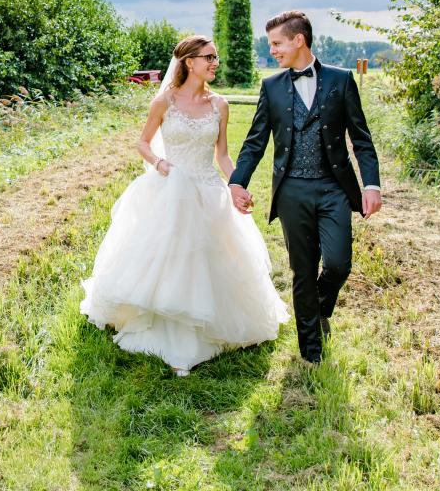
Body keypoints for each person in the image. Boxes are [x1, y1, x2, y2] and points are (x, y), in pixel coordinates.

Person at [79, 35, 289, 376]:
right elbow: (143, 143)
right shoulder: (165, 101)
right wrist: (160, 164)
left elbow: (221, 154)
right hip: (171, 186)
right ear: (189, 62)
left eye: (216, 57)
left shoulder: (220, 104)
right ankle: (167, 324)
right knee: (169, 254)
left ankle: (210, 326)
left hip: (208, 187)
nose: (214, 63)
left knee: (213, 256)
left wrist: (238, 185)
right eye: (208, 57)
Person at [227, 10, 382, 365]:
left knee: (339, 264)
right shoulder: (271, 87)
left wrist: (371, 184)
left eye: (277, 43)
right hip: (292, 191)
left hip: (334, 189)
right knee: (303, 271)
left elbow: (361, 138)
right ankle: (311, 353)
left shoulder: (342, 81)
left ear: (299, 40)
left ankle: (319, 308)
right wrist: (237, 182)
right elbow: (254, 143)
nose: (274, 51)